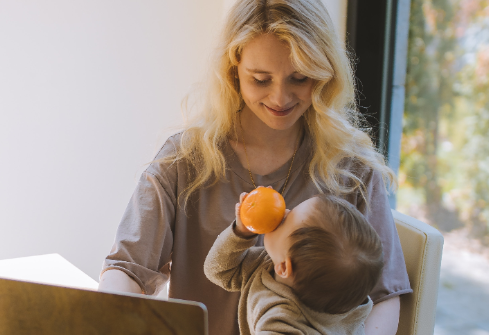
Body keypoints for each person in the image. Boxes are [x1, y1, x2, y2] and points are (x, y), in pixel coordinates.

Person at [98, 1, 412, 334]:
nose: (280, 98)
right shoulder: (183, 160)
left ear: (324, 72)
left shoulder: (353, 170)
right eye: (261, 79)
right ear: (234, 69)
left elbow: (384, 295)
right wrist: (111, 315)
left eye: (300, 78)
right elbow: (128, 269)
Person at [204, 191, 384, 335]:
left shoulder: (281, 321)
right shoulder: (342, 298)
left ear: (284, 267)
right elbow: (219, 270)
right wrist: (242, 232)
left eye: (285, 221)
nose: (285, 211)